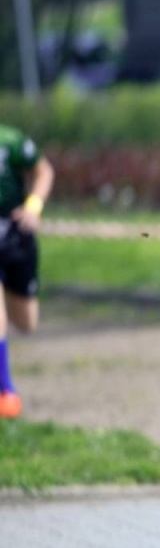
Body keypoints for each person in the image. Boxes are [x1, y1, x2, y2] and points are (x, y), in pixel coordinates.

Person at [0, 125, 54, 420]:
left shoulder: (11, 140)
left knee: (27, 323)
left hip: (16, 237)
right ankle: (6, 391)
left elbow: (43, 171)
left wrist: (33, 207)